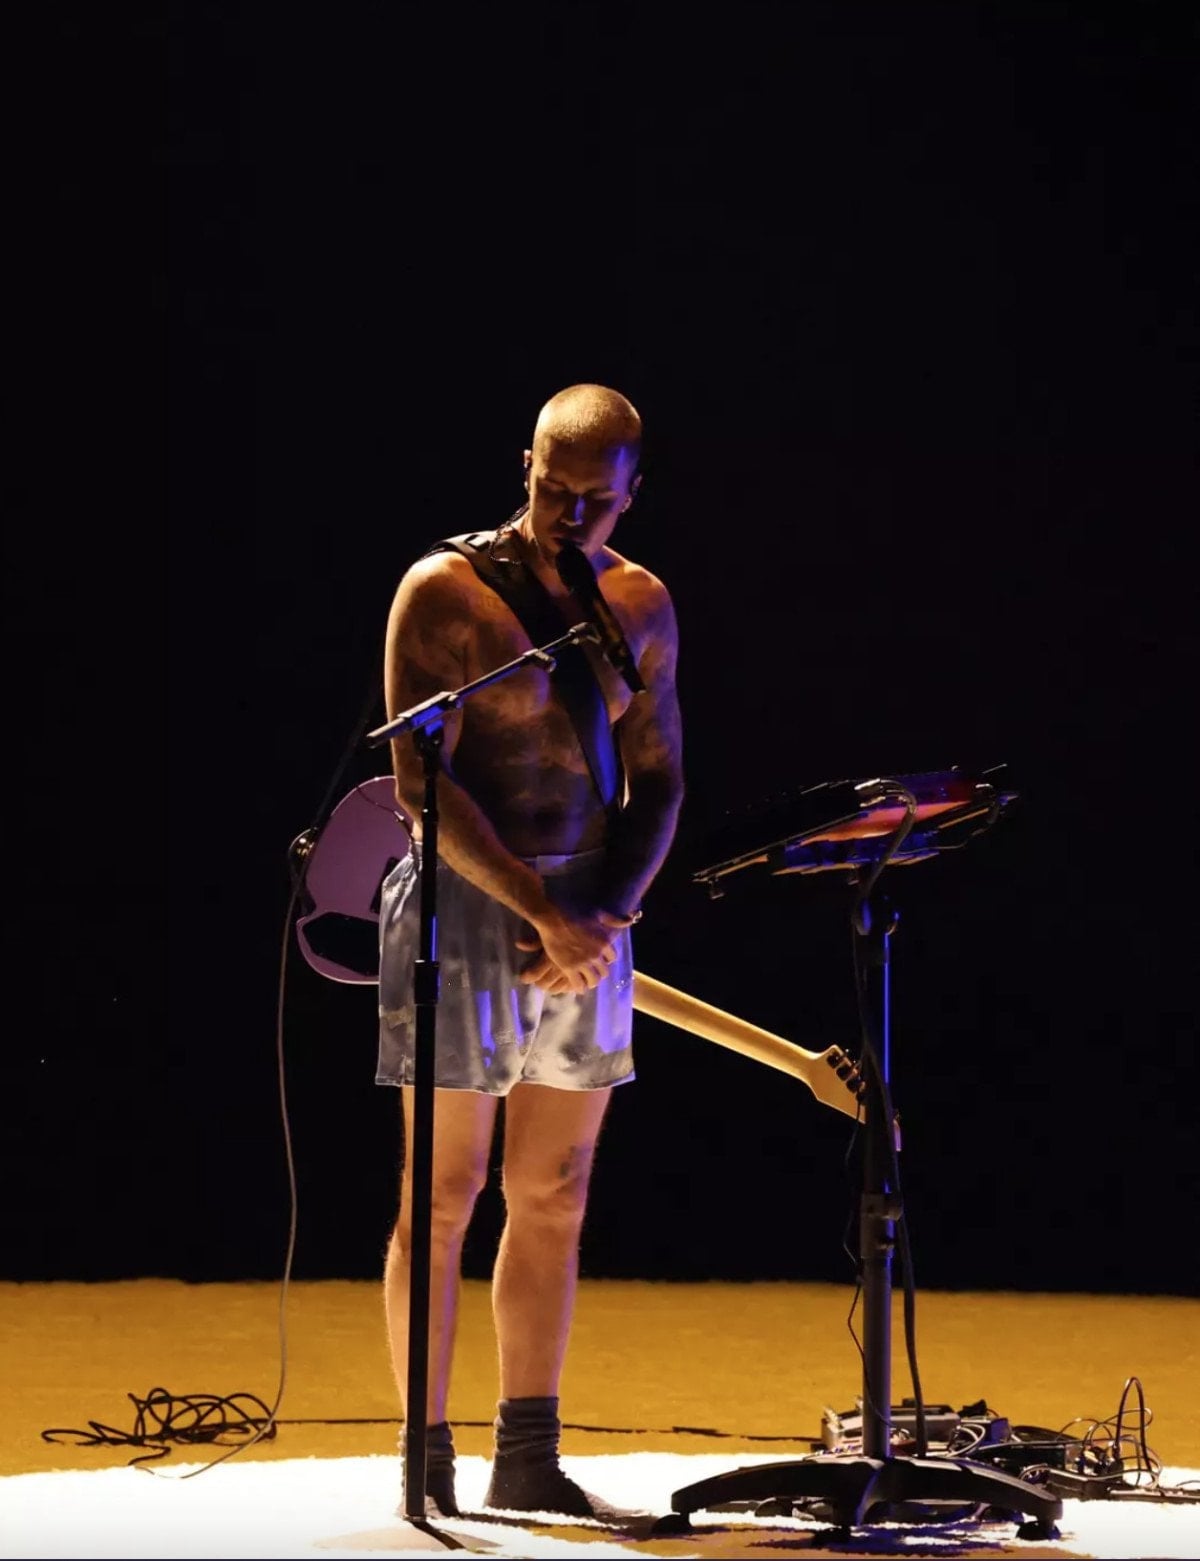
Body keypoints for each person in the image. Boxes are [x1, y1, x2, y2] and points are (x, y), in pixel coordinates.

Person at [375, 383, 685, 1519]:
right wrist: (538, 909)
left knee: (554, 1189)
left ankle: (528, 1455)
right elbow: (419, 782)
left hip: (587, 918)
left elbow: (661, 777)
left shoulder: (640, 602)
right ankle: (426, 1460)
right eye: (554, 490)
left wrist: (603, 913)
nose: (570, 514)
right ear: (526, 468)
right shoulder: (444, 591)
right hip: (468, 908)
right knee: (443, 1192)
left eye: (595, 498)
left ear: (631, 495)